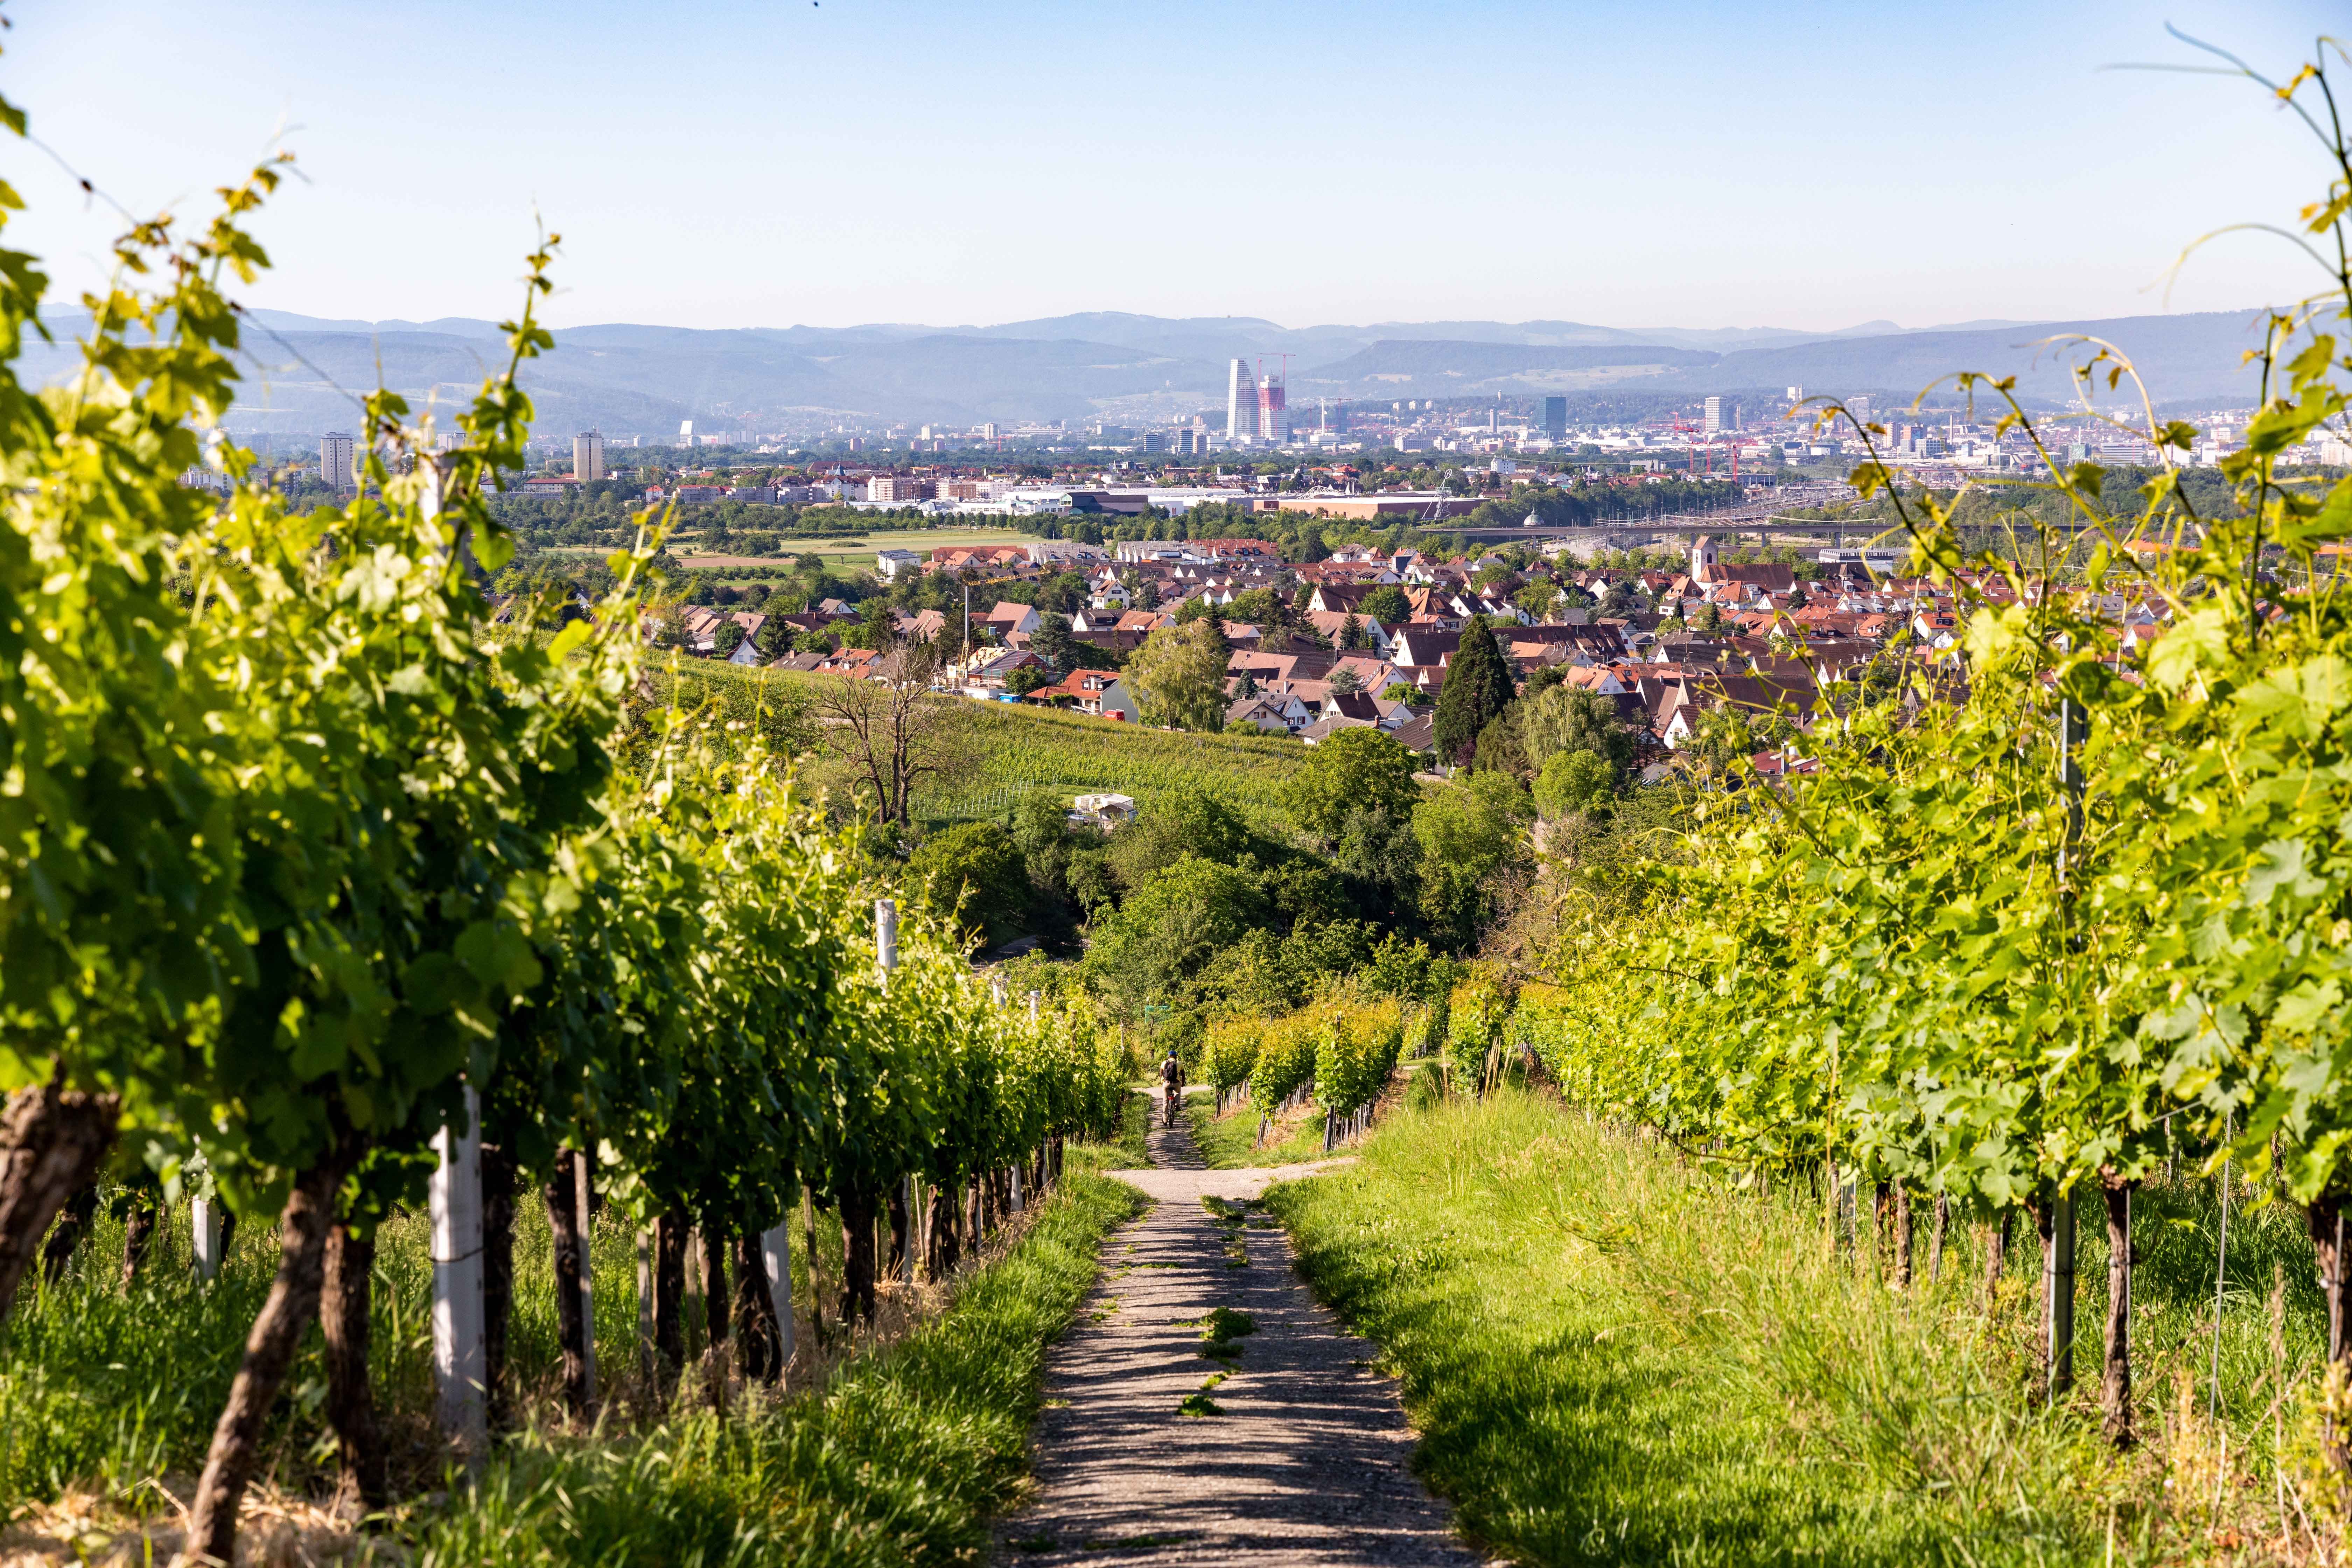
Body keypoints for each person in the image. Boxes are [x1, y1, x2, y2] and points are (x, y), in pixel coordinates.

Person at [1159, 1050, 1183, 1127]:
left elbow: (1161, 1073)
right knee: (1178, 1092)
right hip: (1176, 1083)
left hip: (1166, 1083)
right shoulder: (1179, 1063)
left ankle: (1165, 1120)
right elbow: (1183, 1074)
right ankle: (1177, 1104)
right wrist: (1183, 1083)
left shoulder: (1164, 1063)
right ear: (1176, 1056)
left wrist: (1161, 1081)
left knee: (1165, 1102)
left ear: (1169, 1056)